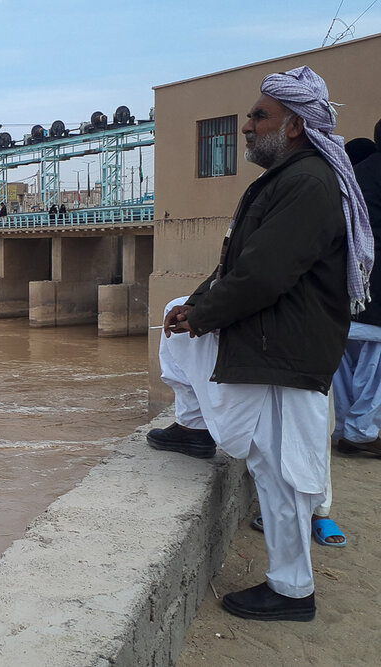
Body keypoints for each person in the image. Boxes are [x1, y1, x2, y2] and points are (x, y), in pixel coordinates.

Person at [147, 66, 372, 622]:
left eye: (258, 116)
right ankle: (194, 427)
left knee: (287, 474)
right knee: (178, 331)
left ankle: (293, 591)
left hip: (287, 353)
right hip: (278, 343)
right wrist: (197, 308)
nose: (246, 126)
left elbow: (266, 275)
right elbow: (239, 267)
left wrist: (206, 316)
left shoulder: (307, 182)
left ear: (294, 125)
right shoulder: (294, 178)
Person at [334, 121, 381, 458]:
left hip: (344, 289)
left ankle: (344, 428)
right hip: (376, 291)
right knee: (375, 367)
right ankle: (361, 432)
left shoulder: (348, 179)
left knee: (343, 363)